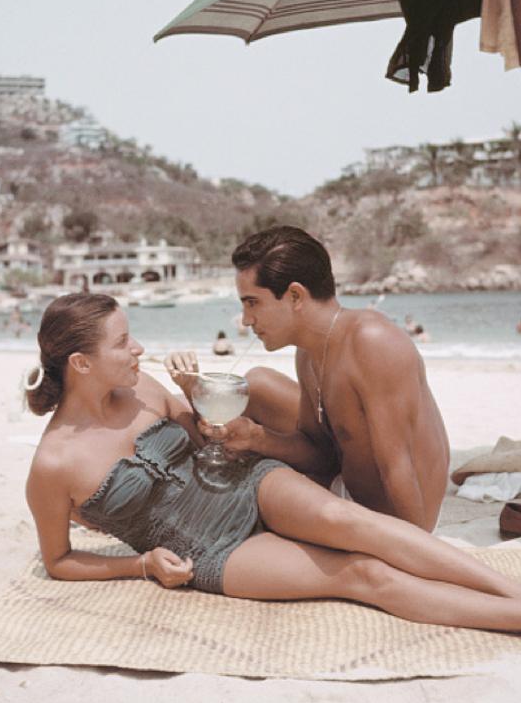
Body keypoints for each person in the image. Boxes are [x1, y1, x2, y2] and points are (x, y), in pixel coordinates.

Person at [23, 293, 521, 644]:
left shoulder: (146, 389)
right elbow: (59, 561)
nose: (137, 349)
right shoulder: (51, 466)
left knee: (354, 523)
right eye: (123, 342)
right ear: (80, 363)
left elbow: (209, 436)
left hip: (243, 484)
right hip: (204, 548)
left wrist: (193, 392)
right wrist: (141, 564)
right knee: (362, 576)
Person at [167, 226, 450, 532]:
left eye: (252, 303)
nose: (247, 320)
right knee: (243, 388)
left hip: (393, 517)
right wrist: (255, 437)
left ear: (295, 296)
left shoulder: (373, 341)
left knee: (231, 506)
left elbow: (399, 468)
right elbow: (321, 454)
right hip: (345, 489)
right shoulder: (309, 353)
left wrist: (417, 551)